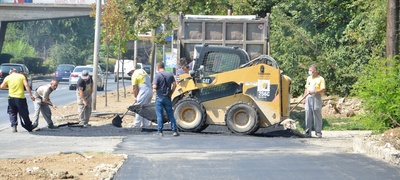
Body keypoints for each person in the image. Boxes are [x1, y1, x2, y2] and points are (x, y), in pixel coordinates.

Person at [0, 68, 36, 132]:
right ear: (16, 72)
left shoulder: (7, 77)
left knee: (12, 112)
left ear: (10, 72)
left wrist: (8, 87)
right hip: (20, 97)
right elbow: (26, 85)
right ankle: (29, 125)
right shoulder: (21, 76)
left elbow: (2, 86)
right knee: (24, 112)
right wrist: (30, 95)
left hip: (11, 98)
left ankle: (14, 126)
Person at [152, 61, 179, 137]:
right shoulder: (170, 74)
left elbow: (154, 87)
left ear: (158, 67)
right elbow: (175, 84)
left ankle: (160, 131)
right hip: (167, 97)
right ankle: (174, 131)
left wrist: (154, 87)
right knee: (170, 114)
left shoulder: (157, 75)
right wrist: (171, 92)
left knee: (159, 115)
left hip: (159, 98)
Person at [302, 64, 326, 138]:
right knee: (308, 113)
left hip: (316, 97)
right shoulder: (309, 78)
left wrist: (315, 91)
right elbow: (306, 88)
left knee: (317, 113)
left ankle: (318, 132)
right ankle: (307, 132)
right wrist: (304, 98)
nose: (309, 72)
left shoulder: (320, 79)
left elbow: (323, 89)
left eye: (310, 70)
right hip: (308, 97)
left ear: (315, 71)